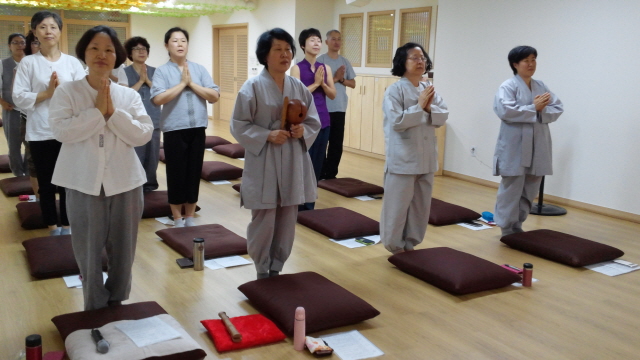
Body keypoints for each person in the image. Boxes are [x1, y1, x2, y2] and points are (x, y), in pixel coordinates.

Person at [49, 25, 153, 310]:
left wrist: (112, 114)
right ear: (84, 52)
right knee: (88, 250)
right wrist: (96, 113)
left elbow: (143, 133)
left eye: (109, 49)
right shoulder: (67, 93)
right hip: (83, 181)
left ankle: (117, 300)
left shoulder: (128, 96)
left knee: (124, 250)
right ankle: (94, 305)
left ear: (117, 56)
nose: (101, 55)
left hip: (126, 181)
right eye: (94, 47)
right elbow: (61, 131)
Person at [231, 28, 320, 279]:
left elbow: (313, 121)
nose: (285, 54)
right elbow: (238, 124)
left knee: (287, 216)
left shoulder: (299, 87)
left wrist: (303, 130)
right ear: (265, 55)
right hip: (265, 160)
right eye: (277, 49)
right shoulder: (252, 87)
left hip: (292, 158)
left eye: (288, 49)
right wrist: (266, 135)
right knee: (265, 216)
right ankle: (262, 268)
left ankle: (277, 267)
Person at [13, 11, 86, 236]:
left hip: (69, 131)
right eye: (42, 27)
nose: (48, 32)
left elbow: (84, 94)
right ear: (35, 32)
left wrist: (64, 93)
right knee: (46, 184)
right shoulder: (28, 62)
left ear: (60, 31)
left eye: (53, 27)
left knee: (69, 183)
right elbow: (18, 96)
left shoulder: (72, 63)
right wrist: (47, 93)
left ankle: (67, 224)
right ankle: (52, 227)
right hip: (41, 131)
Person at [380, 42, 448, 254]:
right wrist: (419, 107)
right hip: (403, 157)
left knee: (420, 206)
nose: (420, 62)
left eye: (422, 58)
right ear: (403, 62)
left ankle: (411, 243)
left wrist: (427, 108)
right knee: (397, 206)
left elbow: (442, 115)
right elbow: (397, 122)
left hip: (426, 158)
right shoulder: (394, 91)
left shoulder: (428, 89)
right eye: (415, 58)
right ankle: (394, 245)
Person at [151, 27, 219, 227]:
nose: (180, 44)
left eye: (183, 41)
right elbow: (157, 98)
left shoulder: (199, 69)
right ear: (166, 46)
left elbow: (214, 95)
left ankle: (189, 216)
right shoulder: (162, 71)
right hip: (174, 129)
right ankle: (177, 218)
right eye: (175, 41)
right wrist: (182, 84)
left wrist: (192, 84)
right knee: (176, 172)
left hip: (197, 127)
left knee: (193, 171)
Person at [493, 46, 563, 236]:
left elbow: (557, 107)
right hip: (515, 143)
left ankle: (518, 224)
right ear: (515, 64)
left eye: (533, 59)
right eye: (526, 60)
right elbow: (505, 111)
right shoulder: (508, 86)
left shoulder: (541, 86)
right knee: (512, 186)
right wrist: (534, 108)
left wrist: (539, 110)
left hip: (538, 142)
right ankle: (506, 227)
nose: (531, 64)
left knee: (531, 185)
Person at [291, 28, 335, 211]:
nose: (317, 43)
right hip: (304, 123)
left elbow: (332, 94)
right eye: (312, 40)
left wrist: (323, 84)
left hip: (323, 121)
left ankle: (310, 203)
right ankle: (297, 202)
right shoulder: (296, 68)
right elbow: (297, 96)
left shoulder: (326, 68)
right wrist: (316, 84)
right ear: (303, 45)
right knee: (303, 162)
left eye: (318, 40)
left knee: (317, 163)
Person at [118, 36, 161, 192]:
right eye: (137, 49)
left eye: (144, 49)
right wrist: (140, 81)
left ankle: (150, 185)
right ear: (130, 53)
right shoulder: (124, 72)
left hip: (154, 119)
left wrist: (148, 80)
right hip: (133, 121)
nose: (141, 52)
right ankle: (135, 185)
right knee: (136, 154)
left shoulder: (156, 72)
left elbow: (161, 94)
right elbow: (124, 96)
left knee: (153, 155)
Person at [318, 29, 356, 180]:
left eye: (339, 39)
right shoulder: (321, 61)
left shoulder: (345, 62)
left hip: (339, 107)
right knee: (322, 141)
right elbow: (318, 84)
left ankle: (331, 174)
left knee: (336, 143)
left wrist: (341, 79)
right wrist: (335, 77)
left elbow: (352, 83)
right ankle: (320, 172)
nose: (337, 42)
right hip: (323, 108)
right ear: (326, 42)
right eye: (333, 39)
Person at [1, 33, 27, 176]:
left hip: (29, 110)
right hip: (11, 110)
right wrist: (3, 102)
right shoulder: (3, 64)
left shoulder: (30, 63)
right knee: (14, 143)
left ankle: (30, 173)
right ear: (9, 46)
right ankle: (17, 173)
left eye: (22, 42)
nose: (19, 45)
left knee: (30, 144)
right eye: (15, 42)